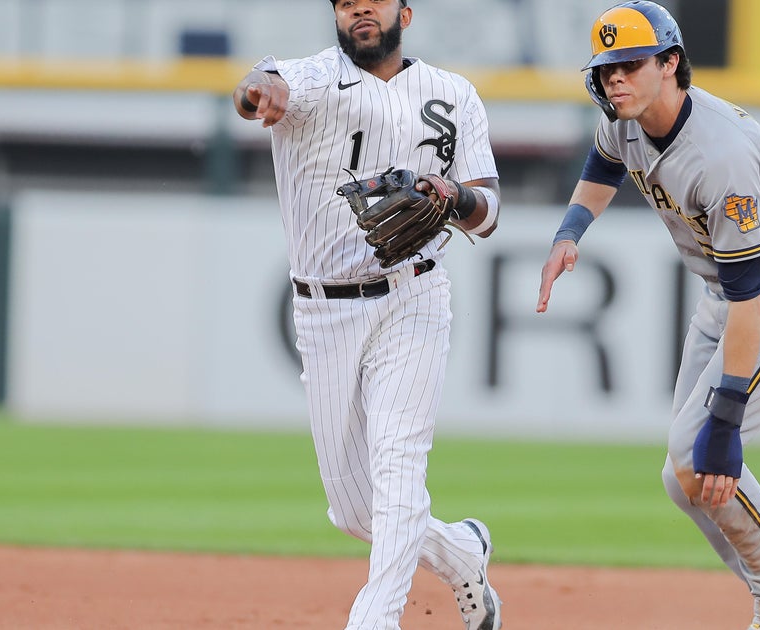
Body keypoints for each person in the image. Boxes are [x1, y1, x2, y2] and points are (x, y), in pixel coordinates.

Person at [536, 2, 760, 629]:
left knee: (698, 447)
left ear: (671, 62)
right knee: (685, 478)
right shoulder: (622, 118)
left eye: (630, 64)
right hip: (724, 293)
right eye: (606, 68)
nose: (615, 79)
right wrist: (570, 232)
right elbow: (602, 164)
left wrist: (728, 418)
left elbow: (749, 291)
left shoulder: (719, 152)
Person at [231, 1, 503, 629]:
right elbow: (263, 86)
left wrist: (455, 197)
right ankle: (463, 553)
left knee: (399, 462)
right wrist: (258, 95)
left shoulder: (452, 94)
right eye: (347, 3)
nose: (360, 11)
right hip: (323, 308)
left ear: (404, 11)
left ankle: (374, 621)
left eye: (372, 1)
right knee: (354, 512)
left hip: (414, 294)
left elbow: (488, 213)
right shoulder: (317, 77)